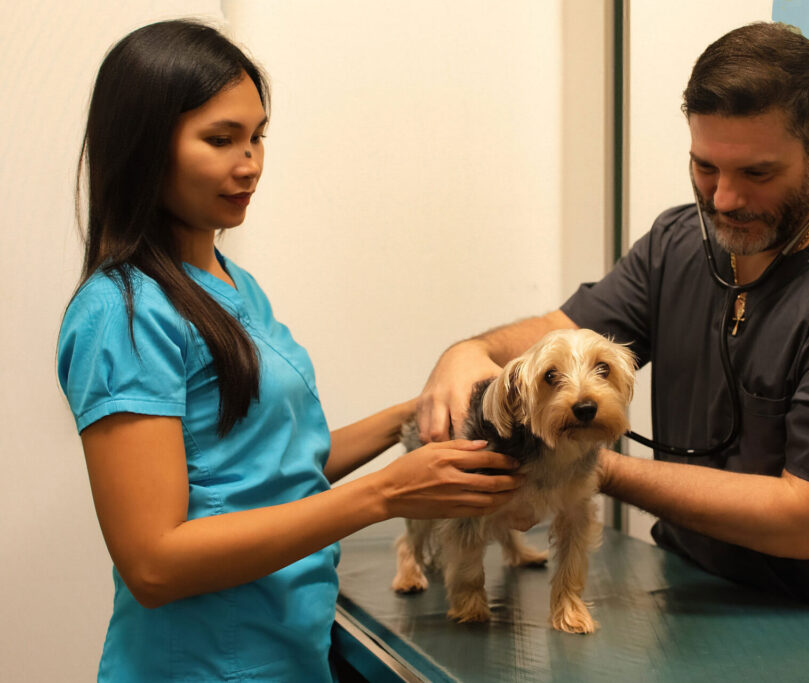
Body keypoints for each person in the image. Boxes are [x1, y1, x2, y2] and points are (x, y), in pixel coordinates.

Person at [416, 22, 809, 652]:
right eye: (704, 166)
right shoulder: (679, 244)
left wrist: (578, 464)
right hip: (682, 605)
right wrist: (470, 352)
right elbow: (562, 333)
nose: (724, 199)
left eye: (757, 172)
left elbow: (805, 519)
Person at [57, 20, 520, 682]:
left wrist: (419, 414)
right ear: (144, 146)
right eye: (220, 140)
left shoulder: (229, 281)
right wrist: (387, 494)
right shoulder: (121, 312)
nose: (249, 163)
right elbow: (155, 563)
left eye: (257, 136)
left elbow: (276, 470)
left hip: (289, 656)